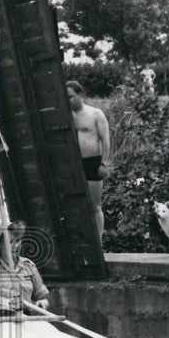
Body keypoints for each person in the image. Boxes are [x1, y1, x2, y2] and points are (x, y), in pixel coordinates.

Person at [66, 80, 111, 242]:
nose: (68, 100)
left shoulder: (95, 113)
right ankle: (82, 240)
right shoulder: (65, 116)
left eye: (70, 97)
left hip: (92, 162)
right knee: (75, 204)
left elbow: (105, 139)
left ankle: (98, 242)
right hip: (73, 164)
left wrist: (104, 163)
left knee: (95, 205)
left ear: (80, 94)